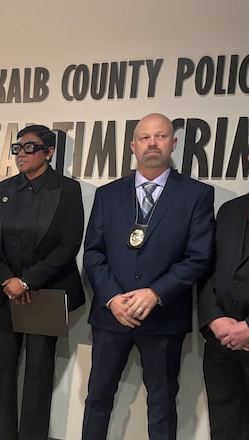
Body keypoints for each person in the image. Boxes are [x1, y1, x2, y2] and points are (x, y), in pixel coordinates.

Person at [81, 113, 214, 440]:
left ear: (174, 143)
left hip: (163, 316)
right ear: (133, 146)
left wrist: (154, 293)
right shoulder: (108, 194)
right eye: (145, 137)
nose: (152, 143)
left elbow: (199, 257)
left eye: (161, 136)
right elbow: (94, 253)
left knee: (162, 403)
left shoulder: (197, 195)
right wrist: (113, 299)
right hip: (112, 316)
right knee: (98, 398)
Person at [0, 125, 85, 440]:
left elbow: (69, 245)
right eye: (18, 147)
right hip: (5, 294)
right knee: (3, 370)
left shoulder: (66, 189)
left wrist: (26, 282)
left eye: (30, 147)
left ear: (49, 152)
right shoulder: (4, 189)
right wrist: (8, 280)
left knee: (39, 371)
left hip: (45, 292)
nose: (22, 154)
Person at [198, 182, 249, 440]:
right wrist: (213, 318)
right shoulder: (230, 210)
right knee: (224, 428)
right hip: (221, 345)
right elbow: (209, 271)